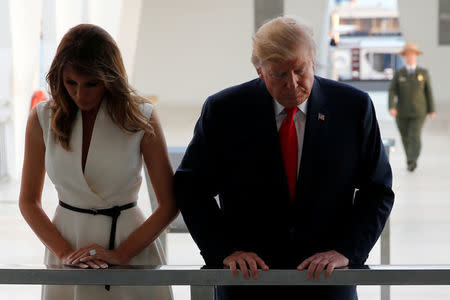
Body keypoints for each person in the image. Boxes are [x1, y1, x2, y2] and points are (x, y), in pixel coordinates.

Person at [174, 16, 394, 300]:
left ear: (313, 62)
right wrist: (225, 251)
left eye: (300, 70)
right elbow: (191, 188)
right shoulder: (225, 111)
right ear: (259, 71)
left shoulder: (352, 108)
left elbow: (378, 189)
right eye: (279, 74)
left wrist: (347, 251)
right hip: (248, 280)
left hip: (327, 280)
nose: (293, 83)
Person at [18, 24, 177, 300]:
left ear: (111, 78)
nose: (81, 94)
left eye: (92, 83)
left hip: (131, 244)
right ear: (59, 78)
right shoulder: (42, 117)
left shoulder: (141, 117)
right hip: (65, 243)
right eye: (71, 83)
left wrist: (121, 254)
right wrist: (64, 253)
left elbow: (169, 205)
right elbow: (28, 202)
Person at [388, 42, 435, 172]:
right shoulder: (399, 74)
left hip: (419, 111)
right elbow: (392, 90)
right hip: (402, 111)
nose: (410, 57)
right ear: (404, 57)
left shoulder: (423, 73)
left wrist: (431, 109)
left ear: (416, 56)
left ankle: (412, 159)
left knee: (415, 135)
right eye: (407, 55)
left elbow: (428, 91)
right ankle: (410, 159)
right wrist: (392, 106)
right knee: (405, 136)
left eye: (412, 55)